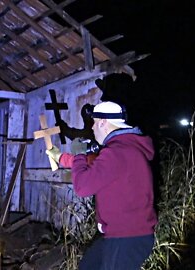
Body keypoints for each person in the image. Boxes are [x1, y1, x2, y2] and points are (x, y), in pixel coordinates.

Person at [46, 101, 158, 270]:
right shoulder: (125, 148)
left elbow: (83, 187)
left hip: (126, 237)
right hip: (125, 235)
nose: (91, 128)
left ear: (103, 122)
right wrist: (60, 157)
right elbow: (92, 166)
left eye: (94, 123)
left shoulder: (116, 152)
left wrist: (79, 154)